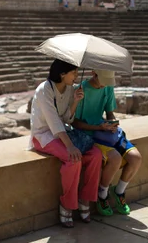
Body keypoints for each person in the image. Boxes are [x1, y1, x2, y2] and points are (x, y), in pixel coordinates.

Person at [30, 59, 103, 227]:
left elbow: (65, 119)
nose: (76, 76)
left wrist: (75, 101)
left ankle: (85, 199)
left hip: (62, 131)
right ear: (62, 74)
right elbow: (53, 121)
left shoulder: (70, 89)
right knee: (73, 158)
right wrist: (70, 146)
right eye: (74, 72)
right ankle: (67, 204)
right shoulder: (44, 90)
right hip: (44, 135)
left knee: (96, 155)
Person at [73, 69, 142, 216]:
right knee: (115, 158)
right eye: (102, 82)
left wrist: (112, 123)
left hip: (106, 132)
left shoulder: (108, 87)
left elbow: (109, 113)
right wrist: (99, 127)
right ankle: (102, 194)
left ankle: (119, 192)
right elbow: (76, 123)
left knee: (136, 158)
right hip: (91, 134)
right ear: (94, 74)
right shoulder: (80, 90)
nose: (105, 86)